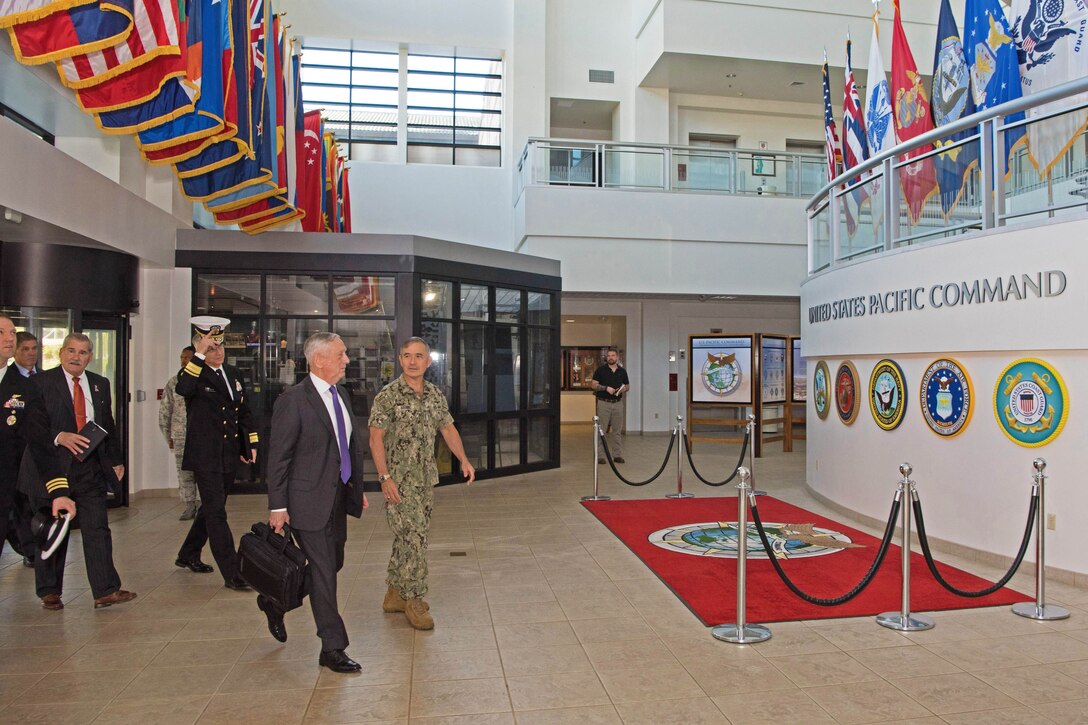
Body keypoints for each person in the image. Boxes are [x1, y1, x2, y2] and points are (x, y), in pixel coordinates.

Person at [265, 332, 368, 672]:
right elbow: (279, 458)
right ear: (319, 359)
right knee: (324, 572)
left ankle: (276, 601)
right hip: (306, 501)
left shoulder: (341, 395)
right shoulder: (293, 400)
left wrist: (355, 488)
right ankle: (332, 647)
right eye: (341, 354)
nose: (347, 360)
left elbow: (345, 448)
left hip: (337, 497)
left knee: (332, 563)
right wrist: (278, 506)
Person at [17, 332, 135, 610]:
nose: (76, 357)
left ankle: (105, 590)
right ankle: (49, 591)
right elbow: (30, 427)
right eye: (71, 351)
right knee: (51, 531)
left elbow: (108, 424)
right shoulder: (39, 383)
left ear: (90, 357)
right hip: (50, 470)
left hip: (88, 468)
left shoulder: (99, 384)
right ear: (61, 353)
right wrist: (60, 436)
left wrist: (116, 460)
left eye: (82, 353)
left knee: (97, 528)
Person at [369, 336, 475, 630]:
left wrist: (463, 460)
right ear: (400, 360)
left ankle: (394, 593)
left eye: (419, 356)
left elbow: (448, 428)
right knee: (414, 538)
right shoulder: (388, 396)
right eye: (407, 356)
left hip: (425, 480)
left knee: (409, 536)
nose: (413, 361)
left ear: (428, 362)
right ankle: (413, 597)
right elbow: (375, 438)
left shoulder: (434, 395)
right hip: (398, 482)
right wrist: (384, 477)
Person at [175, 319, 256, 588]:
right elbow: (182, 389)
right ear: (201, 348)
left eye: (220, 347)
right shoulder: (194, 375)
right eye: (211, 348)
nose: (217, 352)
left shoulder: (233, 374)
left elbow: (242, 412)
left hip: (228, 453)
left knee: (212, 508)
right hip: (205, 455)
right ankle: (233, 573)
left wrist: (249, 445)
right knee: (217, 514)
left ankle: (188, 553)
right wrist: (198, 354)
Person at [0, 316, 33, 567]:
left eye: (12, 332)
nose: (9, 338)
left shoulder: (23, 386)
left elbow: (38, 437)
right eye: (1, 332)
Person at [158, 345, 201, 521]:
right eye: (182, 357)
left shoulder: (203, 381)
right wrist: (168, 435)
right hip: (181, 435)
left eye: (188, 358)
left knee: (202, 472)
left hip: (201, 436)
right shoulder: (174, 382)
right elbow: (165, 411)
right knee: (184, 473)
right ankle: (189, 505)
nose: (184, 361)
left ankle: (203, 505)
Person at [6, 330, 37, 563]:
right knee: (20, 504)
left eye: (34, 348)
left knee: (33, 503)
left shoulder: (43, 378)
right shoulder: (8, 379)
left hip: (37, 454)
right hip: (12, 457)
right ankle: (29, 550)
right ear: (15, 351)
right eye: (25, 348)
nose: (30, 353)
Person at [591, 348, 630, 464]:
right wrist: (605, 388)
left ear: (617, 358)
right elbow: (593, 385)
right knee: (601, 430)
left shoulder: (622, 371)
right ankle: (600, 456)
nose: (610, 357)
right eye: (608, 356)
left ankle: (617, 455)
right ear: (606, 358)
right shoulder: (600, 370)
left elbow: (628, 386)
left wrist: (622, 389)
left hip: (618, 404)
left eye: (613, 355)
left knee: (617, 431)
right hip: (604, 403)